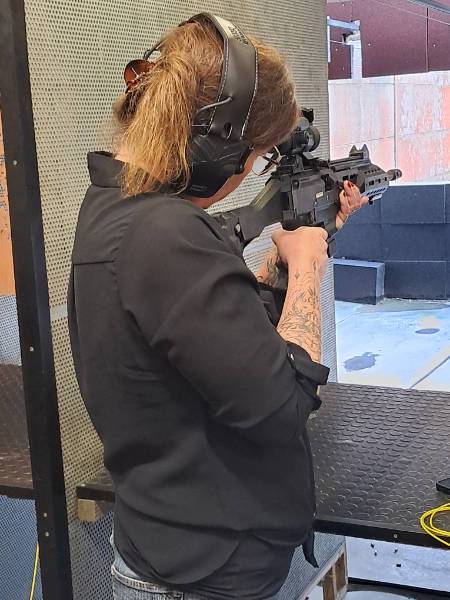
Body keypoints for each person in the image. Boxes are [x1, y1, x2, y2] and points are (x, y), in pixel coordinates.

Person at [68, 14, 367, 600]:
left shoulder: (115, 209)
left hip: (175, 553)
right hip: (203, 576)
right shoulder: (167, 233)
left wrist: (284, 263)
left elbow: (211, 346)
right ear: (217, 143)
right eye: (252, 157)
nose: (248, 173)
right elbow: (283, 404)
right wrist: (309, 264)